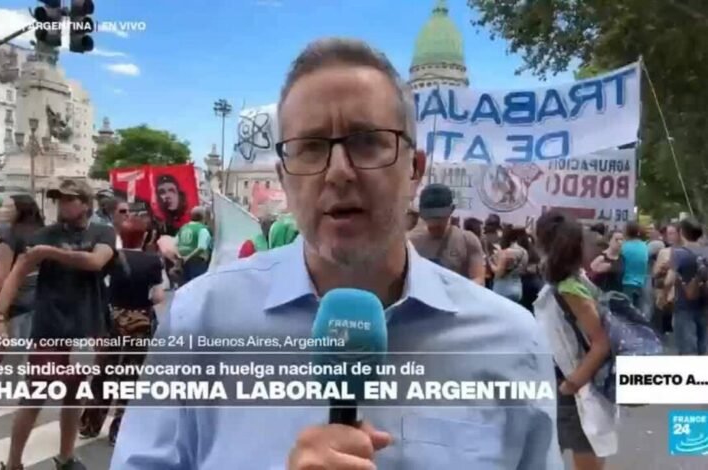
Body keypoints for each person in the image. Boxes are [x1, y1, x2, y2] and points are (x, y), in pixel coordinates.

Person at [112, 37, 559, 470]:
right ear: (285, 176)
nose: (339, 173)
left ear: (415, 170)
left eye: (367, 141)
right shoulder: (201, 319)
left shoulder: (512, 341)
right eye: (311, 147)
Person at [0, 179, 117, 470]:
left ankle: (65, 456)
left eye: (69, 199)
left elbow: (97, 262)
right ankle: (13, 463)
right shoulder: (44, 234)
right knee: (34, 395)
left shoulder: (103, 232)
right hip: (50, 328)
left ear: (85, 204)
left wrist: (50, 253)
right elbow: (17, 272)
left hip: (86, 328)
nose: (62, 204)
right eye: (59, 199)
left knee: (74, 394)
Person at [532, 209, 616, 470]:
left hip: (572, 388)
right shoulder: (570, 282)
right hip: (562, 385)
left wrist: (571, 384)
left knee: (584, 460)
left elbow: (600, 343)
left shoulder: (569, 288)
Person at [80, 216, 166, 444]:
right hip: (140, 320)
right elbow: (157, 295)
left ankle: (90, 423)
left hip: (111, 318)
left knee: (103, 370)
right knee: (130, 373)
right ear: (146, 236)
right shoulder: (153, 261)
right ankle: (118, 429)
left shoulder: (111, 258)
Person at [0, 195, 45, 342]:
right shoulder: (45, 231)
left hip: (18, 300)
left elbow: (2, 275)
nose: (5, 210)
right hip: (44, 299)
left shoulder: (11, 236)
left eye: (9, 207)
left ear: (20, 210)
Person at [409, 184, 486, 285]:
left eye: (440, 218)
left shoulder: (468, 241)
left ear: (452, 210)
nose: (434, 223)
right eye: (430, 217)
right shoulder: (412, 243)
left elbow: (479, 280)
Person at [664, 217, 708, 355]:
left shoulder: (678, 253)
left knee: (687, 349)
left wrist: (665, 295)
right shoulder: (706, 251)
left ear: (681, 232)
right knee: (703, 347)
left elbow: (668, 281)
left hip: (684, 306)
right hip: (705, 305)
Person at [490, 225, 528, 302]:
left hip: (503, 289)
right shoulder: (524, 251)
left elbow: (499, 273)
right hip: (517, 288)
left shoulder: (507, 253)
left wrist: (489, 262)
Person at [175, 206, 212, 284]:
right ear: (203, 217)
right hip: (197, 261)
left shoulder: (183, 228)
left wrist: (180, 256)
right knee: (198, 285)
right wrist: (188, 257)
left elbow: (175, 244)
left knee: (185, 286)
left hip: (182, 261)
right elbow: (201, 247)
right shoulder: (202, 229)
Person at [620, 221, 648, 310]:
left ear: (626, 231)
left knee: (626, 314)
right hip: (641, 283)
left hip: (626, 283)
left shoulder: (623, 247)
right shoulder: (644, 246)